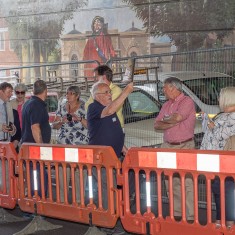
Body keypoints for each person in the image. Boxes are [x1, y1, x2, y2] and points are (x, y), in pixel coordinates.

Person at [87, 81, 133, 235]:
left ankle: (111, 221)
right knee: (108, 190)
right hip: (101, 160)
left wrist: (124, 149)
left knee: (112, 189)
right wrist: (125, 92)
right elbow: (110, 110)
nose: (109, 94)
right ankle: (107, 224)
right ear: (97, 96)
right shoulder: (94, 107)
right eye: (106, 92)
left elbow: (114, 132)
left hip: (113, 158)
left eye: (109, 92)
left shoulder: (109, 110)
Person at [154, 77, 196, 222]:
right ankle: (177, 214)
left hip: (185, 146)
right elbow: (156, 125)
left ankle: (190, 216)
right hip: (168, 146)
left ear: (173, 87)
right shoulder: (166, 104)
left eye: (165, 87)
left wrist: (168, 120)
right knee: (171, 181)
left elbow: (177, 117)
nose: (163, 90)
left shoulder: (187, 102)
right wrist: (171, 120)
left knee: (188, 182)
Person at [201, 87, 235, 228]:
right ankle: (221, 221)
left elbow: (220, 135)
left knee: (227, 193)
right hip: (215, 164)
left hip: (225, 164)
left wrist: (212, 126)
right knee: (219, 193)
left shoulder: (231, 117)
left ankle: (229, 224)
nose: (218, 99)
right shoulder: (223, 116)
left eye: (220, 97)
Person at [52, 85, 89, 203]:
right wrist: (61, 121)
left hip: (80, 144)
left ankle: (79, 200)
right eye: (67, 93)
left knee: (80, 173)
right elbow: (54, 125)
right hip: (63, 143)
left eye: (71, 93)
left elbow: (89, 126)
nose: (67, 95)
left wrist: (78, 118)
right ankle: (62, 200)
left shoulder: (84, 107)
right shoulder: (62, 106)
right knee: (62, 172)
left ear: (77, 95)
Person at [21, 80, 51, 197]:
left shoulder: (28, 103)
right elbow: (35, 127)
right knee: (38, 179)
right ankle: (37, 207)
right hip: (35, 149)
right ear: (45, 91)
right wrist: (41, 147)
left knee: (34, 177)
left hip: (29, 147)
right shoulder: (37, 105)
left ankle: (34, 205)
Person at [85, 64, 124, 129]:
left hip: (114, 127)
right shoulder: (96, 89)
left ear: (103, 77)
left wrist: (95, 109)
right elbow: (87, 106)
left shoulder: (116, 90)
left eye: (96, 77)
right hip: (100, 127)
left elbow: (108, 108)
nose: (94, 80)